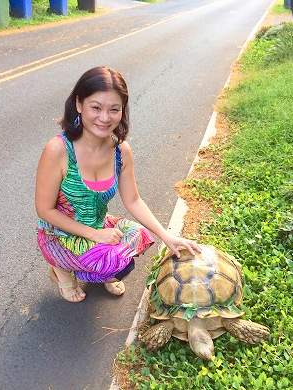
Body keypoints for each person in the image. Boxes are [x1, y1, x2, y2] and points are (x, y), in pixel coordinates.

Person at [35, 66, 200, 303]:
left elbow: (133, 199)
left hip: (99, 225)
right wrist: (96, 235)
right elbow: (44, 210)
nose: (105, 118)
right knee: (111, 263)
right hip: (59, 233)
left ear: (122, 111)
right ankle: (61, 270)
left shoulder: (121, 151)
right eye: (96, 107)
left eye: (114, 109)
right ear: (79, 104)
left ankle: (101, 264)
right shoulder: (58, 149)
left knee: (141, 235)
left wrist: (167, 237)